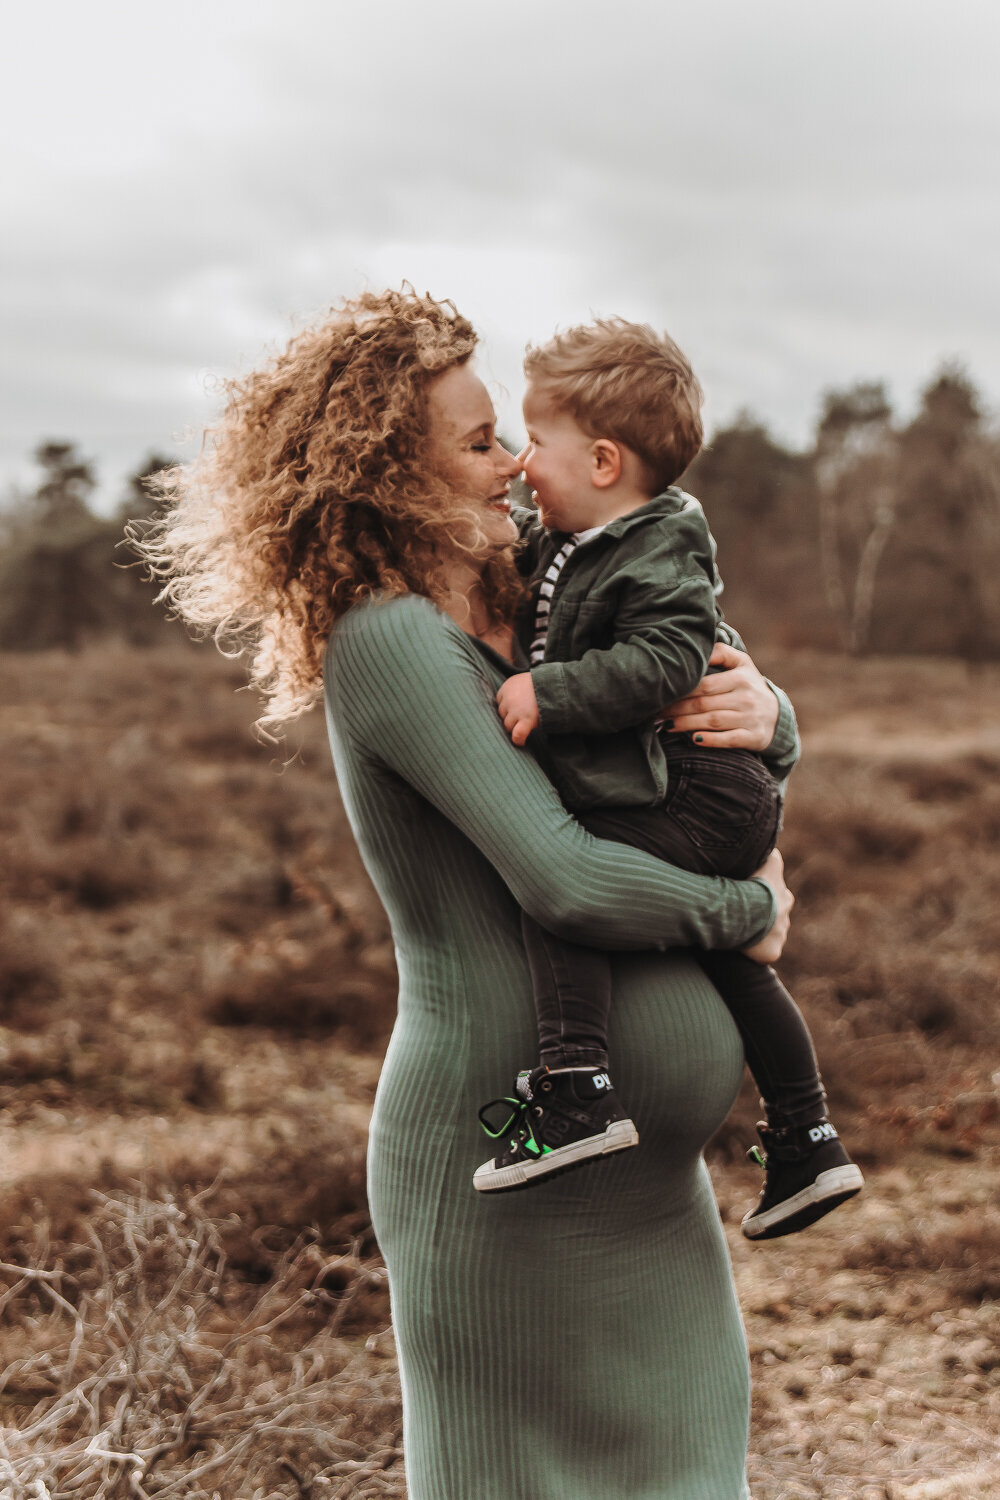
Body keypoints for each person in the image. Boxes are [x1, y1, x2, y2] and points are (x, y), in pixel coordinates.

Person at [136, 288, 796, 1499]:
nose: (512, 466)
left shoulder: (540, 594)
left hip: (642, 1187)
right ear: (390, 472)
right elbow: (566, 880)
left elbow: (690, 675)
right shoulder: (387, 643)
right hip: (504, 1183)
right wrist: (752, 913)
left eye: (507, 437)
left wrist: (770, 711)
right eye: (479, 440)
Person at [473, 318, 864, 1242]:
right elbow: (536, 569)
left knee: (563, 887)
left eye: (536, 443)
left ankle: (577, 1091)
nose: (524, 465)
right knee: (734, 961)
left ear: (604, 460)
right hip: (698, 787)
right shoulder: (587, 535)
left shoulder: (657, 550)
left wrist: (551, 690)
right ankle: (807, 1135)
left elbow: (662, 661)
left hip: (700, 790)